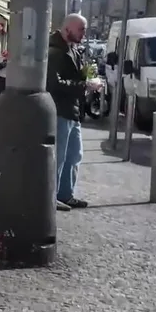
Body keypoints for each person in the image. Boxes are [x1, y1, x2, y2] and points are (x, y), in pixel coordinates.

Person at [48, 13, 101, 212]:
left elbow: (76, 76)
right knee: (59, 157)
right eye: (81, 30)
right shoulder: (55, 52)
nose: (84, 34)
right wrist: (84, 85)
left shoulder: (73, 49)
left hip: (73, 110)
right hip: (60, 110)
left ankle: (65, 195)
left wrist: (89, 75)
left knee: (74, 155)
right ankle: (51, 198)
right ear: (67, 28)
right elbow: (54, 84)